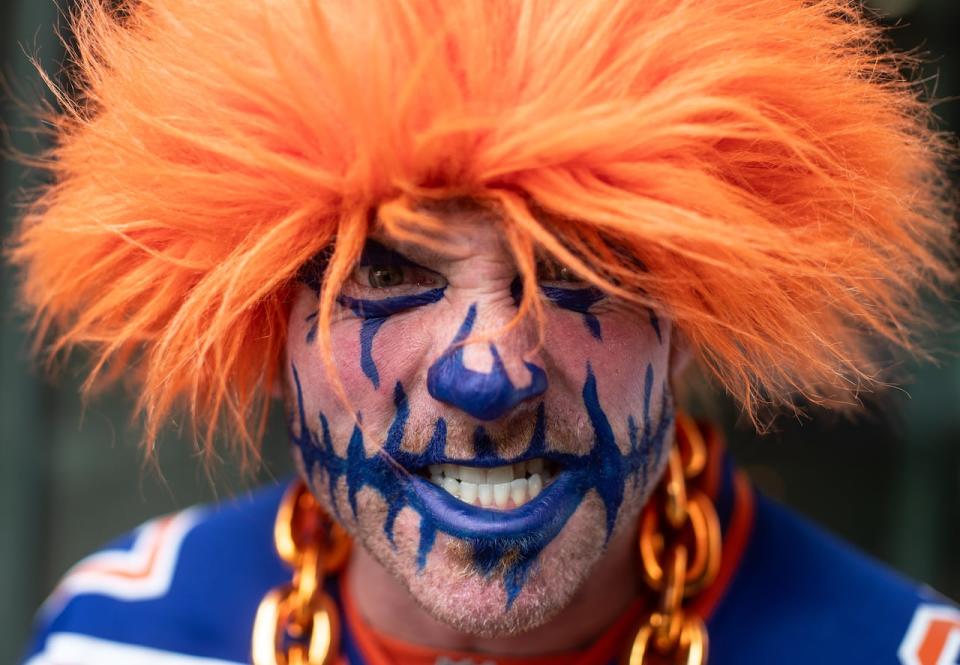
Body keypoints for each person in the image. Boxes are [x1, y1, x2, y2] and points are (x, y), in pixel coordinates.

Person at [13, 0, 959, 663]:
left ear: (687, 314)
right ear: (269, 324)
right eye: (382, 271)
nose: (490, 371)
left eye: (580, 266)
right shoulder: (117, 634)